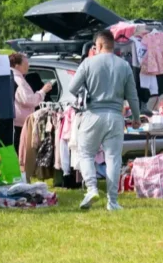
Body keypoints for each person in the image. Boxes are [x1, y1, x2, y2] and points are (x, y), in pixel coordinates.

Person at [68, 30, 141, 211]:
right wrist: (137, 117)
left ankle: (92, 188)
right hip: (116, 116)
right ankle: (112, 202)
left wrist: (85, 89)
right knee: (113, 159)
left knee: (86, 154)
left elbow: (72, 87)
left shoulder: (88, 63)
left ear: (98, 45)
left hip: (92, 115)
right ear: (112, 45)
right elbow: (133, 96)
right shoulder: (124, 66)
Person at [10, 53, 52, 152]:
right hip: (21, 124)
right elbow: (29, 100)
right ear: (17, 65)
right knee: (21, 151)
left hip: (15, 122)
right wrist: (43, 91)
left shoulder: (10, 76)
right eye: (25, 63)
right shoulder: (19, 80)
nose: (28, 65)